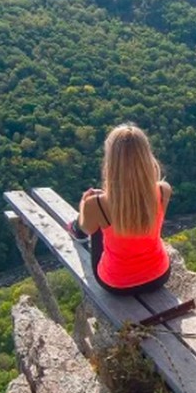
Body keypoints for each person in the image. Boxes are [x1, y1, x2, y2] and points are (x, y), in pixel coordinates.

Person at [66, 123, 172, 296]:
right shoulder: (163, 190)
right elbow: (141, 214)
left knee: (96, 227)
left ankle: (72, 227)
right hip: (159, 275)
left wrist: (85, 204)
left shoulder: (97, 204)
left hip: (116, 284)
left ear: (111, 162)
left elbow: (86, 229)